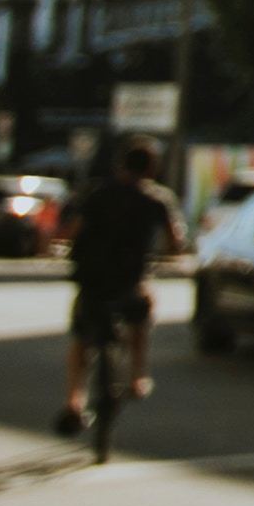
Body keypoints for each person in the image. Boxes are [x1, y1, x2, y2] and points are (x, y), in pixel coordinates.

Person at [59, 139, 186, 436]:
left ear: (120, 164)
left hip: (92, 280)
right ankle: (137, 376)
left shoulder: (97, 192)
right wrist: (171, 254)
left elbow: (70, 231)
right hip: (130, 281)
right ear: (152, 168)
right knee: (140, 316)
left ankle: (74, 403)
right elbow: (175, 242)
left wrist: (62, 245)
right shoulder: (156, 198)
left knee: (82, 339)